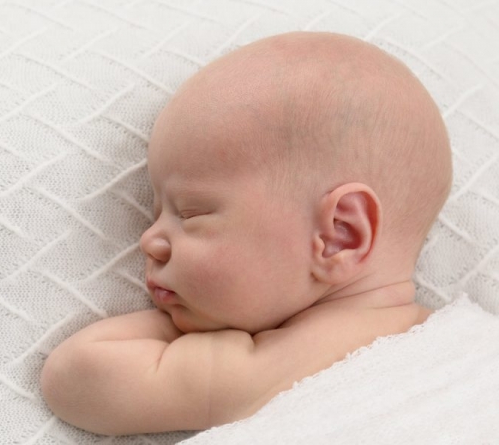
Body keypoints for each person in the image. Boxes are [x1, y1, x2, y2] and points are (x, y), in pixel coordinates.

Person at [40, 31, 453, 436]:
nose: (149, 241)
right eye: (156, 214)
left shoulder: (269, 370)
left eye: (191, 213)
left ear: (339, 235)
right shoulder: (459, 342)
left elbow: (77, 374)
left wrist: (193, 328)